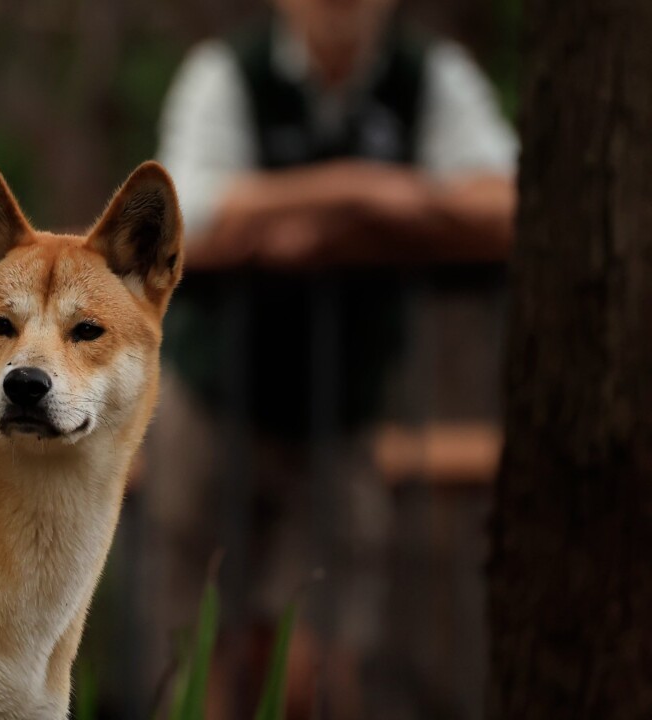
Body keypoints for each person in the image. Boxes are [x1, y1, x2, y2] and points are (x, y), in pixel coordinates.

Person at [144, 0, 516, 718]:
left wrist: (340, 217)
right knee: (198, 660)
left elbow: (502, 203)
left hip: (341, 422)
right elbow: (188, 218)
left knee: (320, 668)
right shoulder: (227, 73)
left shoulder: (429, 76)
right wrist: (365, 189)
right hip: (213, 409)